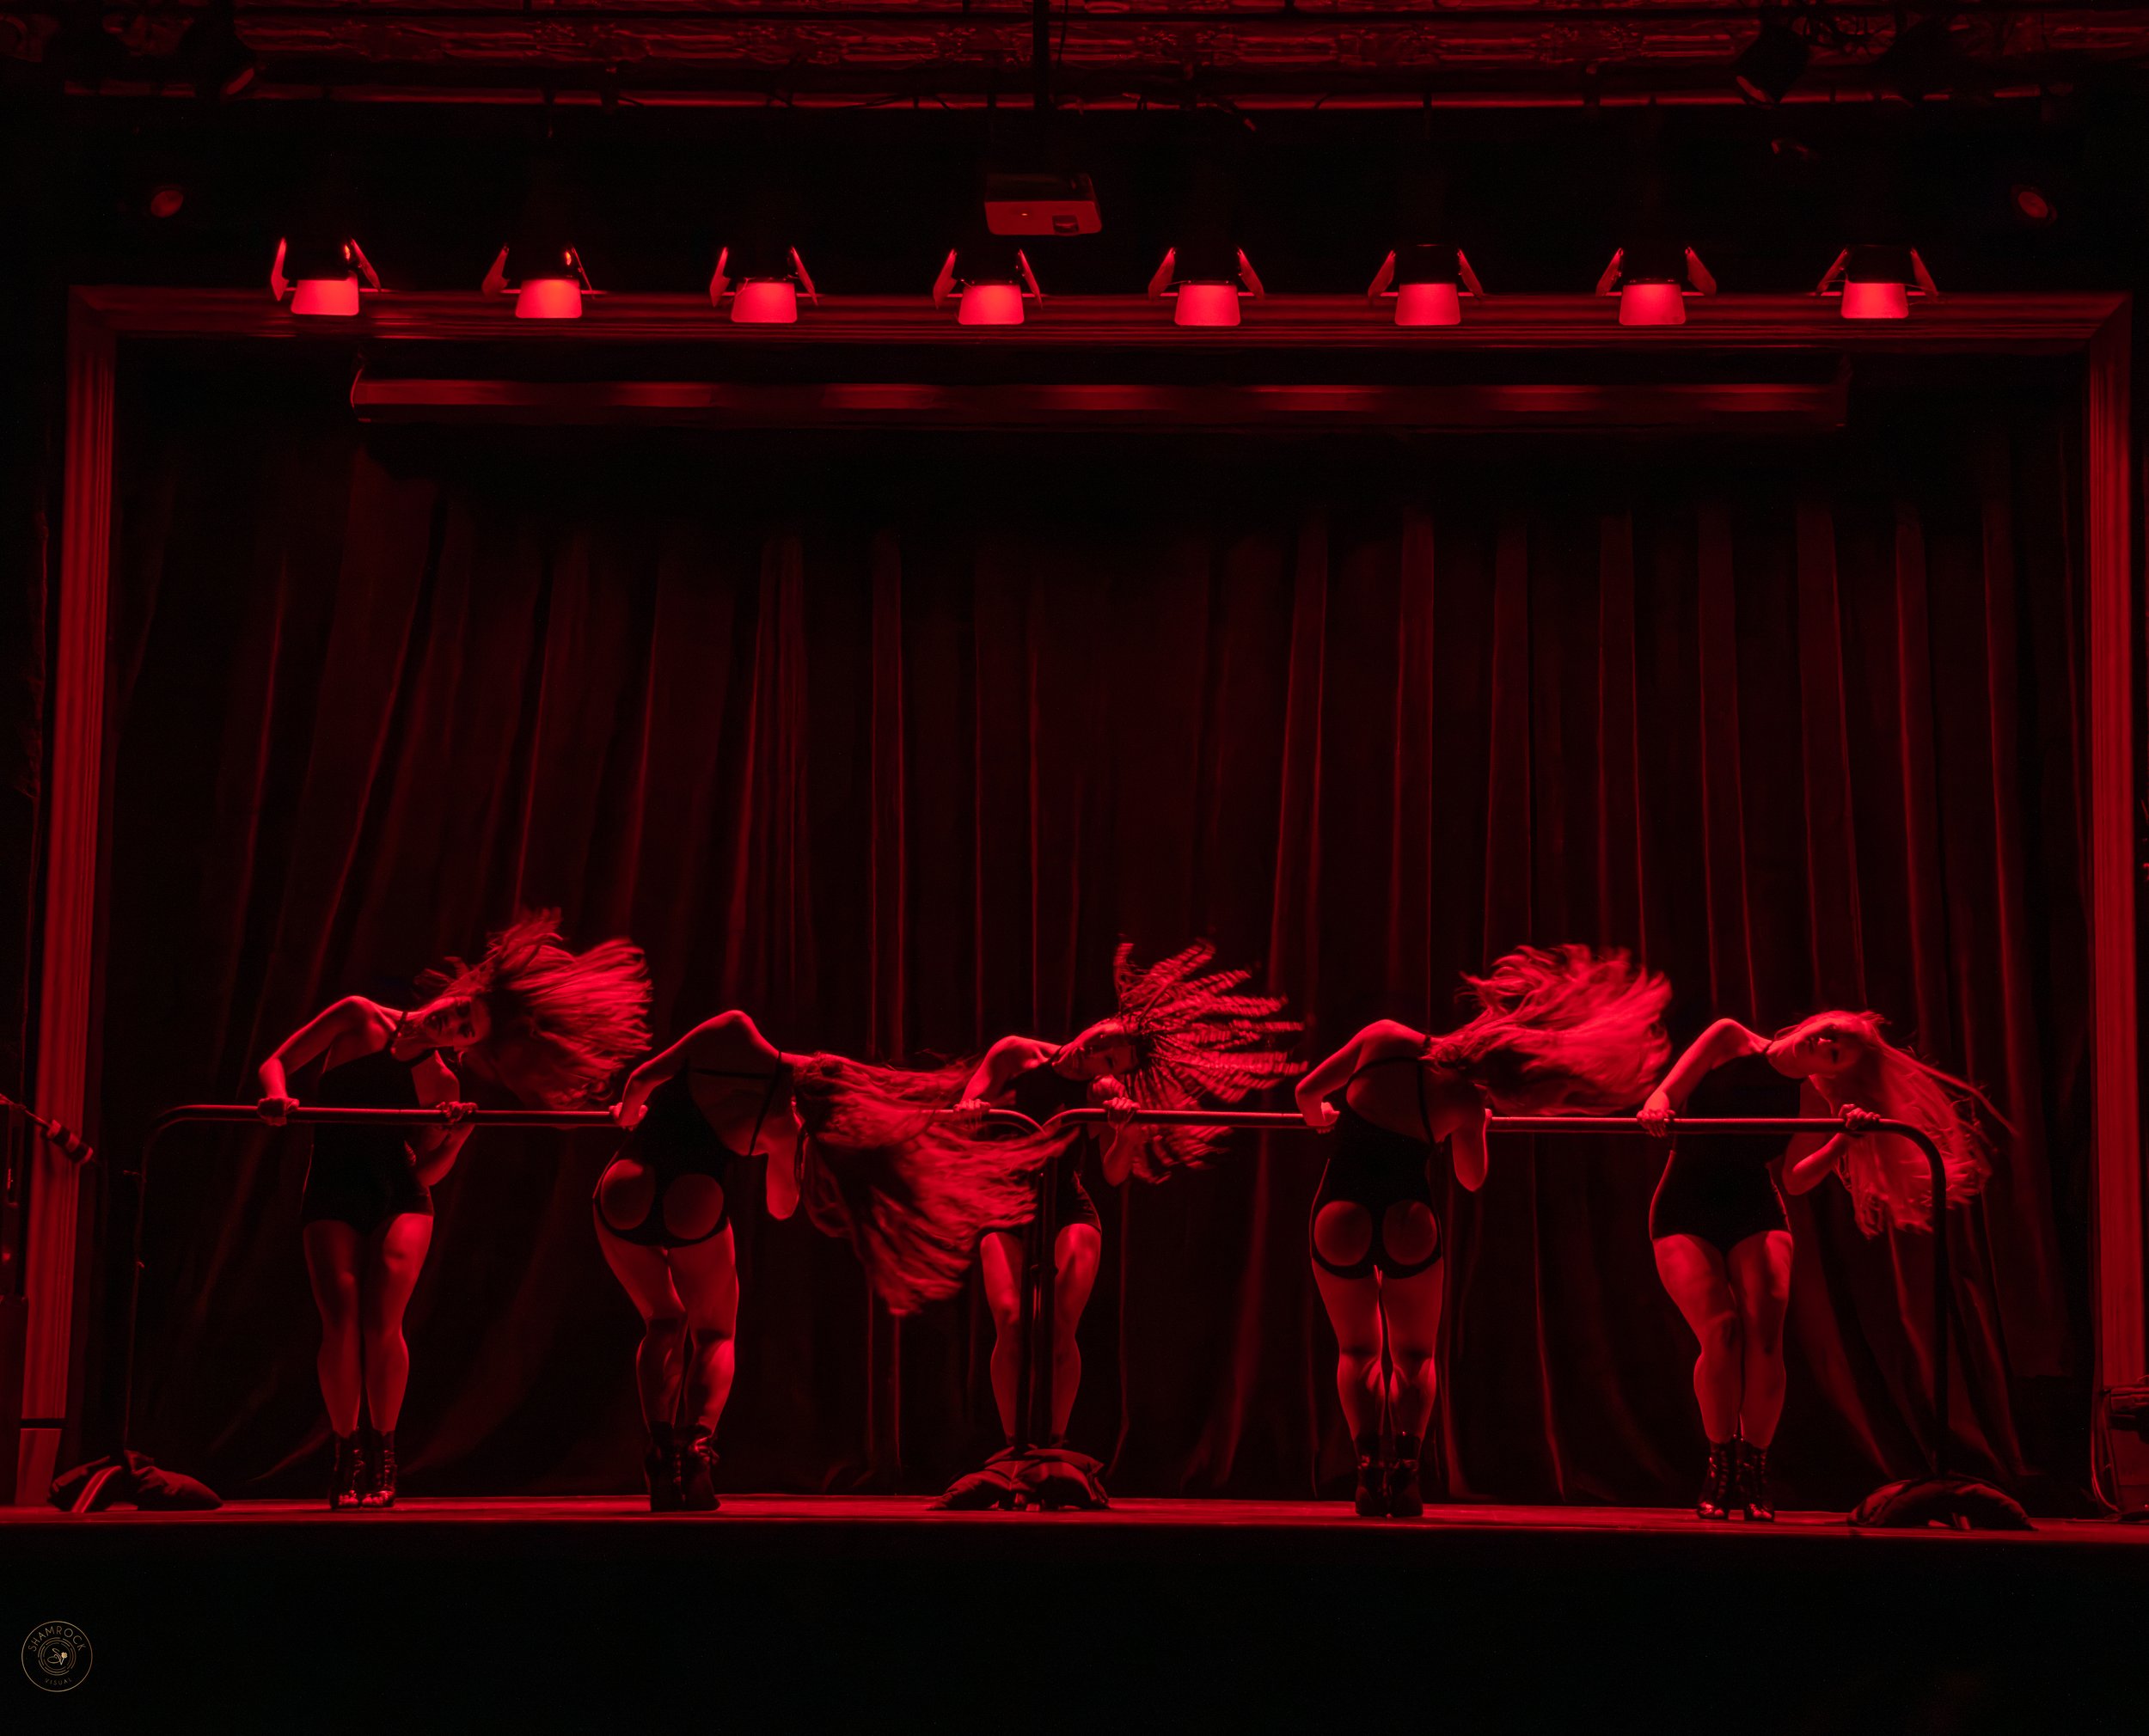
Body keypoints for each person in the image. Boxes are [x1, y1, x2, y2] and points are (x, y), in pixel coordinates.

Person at [258, 912, 650, 1509]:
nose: (454, 1020)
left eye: (465, 1028)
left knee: (379, 1318)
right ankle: (346, 1453)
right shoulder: (358, 1015)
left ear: (468, 1045)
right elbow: (277, 1061)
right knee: (340, 1319)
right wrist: (277, 1096)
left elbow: (422, 1174)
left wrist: (458, 1138)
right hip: (332, 1187)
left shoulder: (439, 1084)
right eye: (461, 1008)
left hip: (401, 1197)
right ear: (457, 989)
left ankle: (383, 1452)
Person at [1295, 945, 1669, 1518]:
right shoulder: (1464, 1100)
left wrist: (1323, 1118)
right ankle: (1407, 1469)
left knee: (1357, 1349)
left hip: (1339, 1212)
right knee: (1416, 1356)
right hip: (1409, 1218)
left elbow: (1306, 1092)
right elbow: (1471, 1180)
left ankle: (1368, 1470)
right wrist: (1479, 1126)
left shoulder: (1385, 1037)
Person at [1639, 1009, 1995, 1522]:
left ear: (1833, 1068)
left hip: (1755, 1210)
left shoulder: (1813, 1095)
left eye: (1835, 1051)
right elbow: (1666, 1094)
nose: (1824, 1042)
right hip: (1683, 1205)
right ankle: (1720, 1463)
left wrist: (1843, 1138)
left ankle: (1754, 1471)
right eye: (1830, 1031)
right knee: (1721, 1330)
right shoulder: (1728, 1037)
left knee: (1764, 1336)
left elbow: (1798, 1180)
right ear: (1813, 1021)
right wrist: (1656, 1108)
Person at [599, 1011, 800, 1512]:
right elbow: (780, 1208)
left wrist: (627, 1111)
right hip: (697, 1197)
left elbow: (642, 1078)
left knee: (662, 1321)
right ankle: (697, 1448)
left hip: (627, 1179)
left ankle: (659, 1446)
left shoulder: (724, 1029)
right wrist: (788, 1140)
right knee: (715, 1332)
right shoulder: (779, 1109)